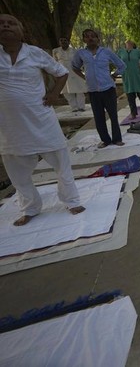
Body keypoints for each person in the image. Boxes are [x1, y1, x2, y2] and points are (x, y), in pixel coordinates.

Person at [0, 14, 85, 226]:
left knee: (60, 161)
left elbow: (61, 73)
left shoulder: (34, 53)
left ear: (21, 29)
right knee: (17, 171)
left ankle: (71, 200)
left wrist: (54, 94)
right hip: (8, 125)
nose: (6, 26)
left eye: (11, 23)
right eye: (1, 24)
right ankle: (30, 208)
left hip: (40, 118)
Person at [73, 29, 126, 148]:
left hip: (108, 89)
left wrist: (114, 75)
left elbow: (122, 65)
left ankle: (117, 139)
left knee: (113, 115)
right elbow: (75, 67)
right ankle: (105, 140)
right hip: (93, 91)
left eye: (93, 36)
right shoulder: (81, 53)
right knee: (98, 117)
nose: (90, 38)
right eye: (87, 37)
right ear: (84, 40)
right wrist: (85, 77)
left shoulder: (106, 51)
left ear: (98, 39)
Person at [52, 37, 87, 112]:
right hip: (63, 73)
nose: (63, 42)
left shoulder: (75, 51)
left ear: (68, 42)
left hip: (75, 72)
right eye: (61, 40)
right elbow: (54, 63)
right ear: (59, 42)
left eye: (65, 40)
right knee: (66, 91)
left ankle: (81, 107)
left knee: (79, 90)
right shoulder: (55, 51)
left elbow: (80, 61)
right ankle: (74, 107)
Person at [117, 40, 140, 118]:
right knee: (130, 97)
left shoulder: (137, 52)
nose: (128, 42)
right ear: (125, 44)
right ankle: (133, 114)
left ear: (133, 44)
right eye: (127, 42)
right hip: (127, 76)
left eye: (130, 42)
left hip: (138, 75)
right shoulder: (121, 52)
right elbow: (117, 61)